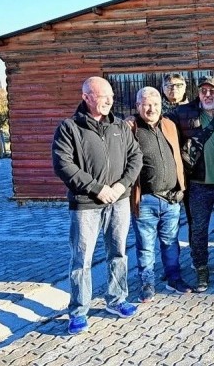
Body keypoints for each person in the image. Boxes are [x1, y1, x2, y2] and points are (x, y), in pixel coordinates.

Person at [52, 76, 143, 335]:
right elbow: (63, 165)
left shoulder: (120, 127)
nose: (108, 101)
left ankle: (116, 300)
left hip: (119, 201)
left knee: (119, 253)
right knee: (82, 259)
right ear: (86, 97)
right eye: (103, 97)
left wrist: (120, 187)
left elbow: (135, 158)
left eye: (111, 97)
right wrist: (97, 188)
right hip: (86, 205)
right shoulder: (69, 128)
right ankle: (79, 311)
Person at [168, 76, 214, 292]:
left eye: (212, 91)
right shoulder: (184, 113)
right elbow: (156, 121)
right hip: (199, 184)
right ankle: (201, 269)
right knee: (198, 229)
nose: (207, 95)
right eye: (203, 91)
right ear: (198, 93)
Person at [128, 87, 192, 303]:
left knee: (171, 242)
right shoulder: (131, 127)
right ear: (138, 106)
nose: (151, 108)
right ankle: (147, 283)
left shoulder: (169, 125)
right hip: (145, 199)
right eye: (146, 104)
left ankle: (174, 278)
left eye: (155, 104)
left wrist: (181, 188)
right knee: (145, 246)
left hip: (171, 199)